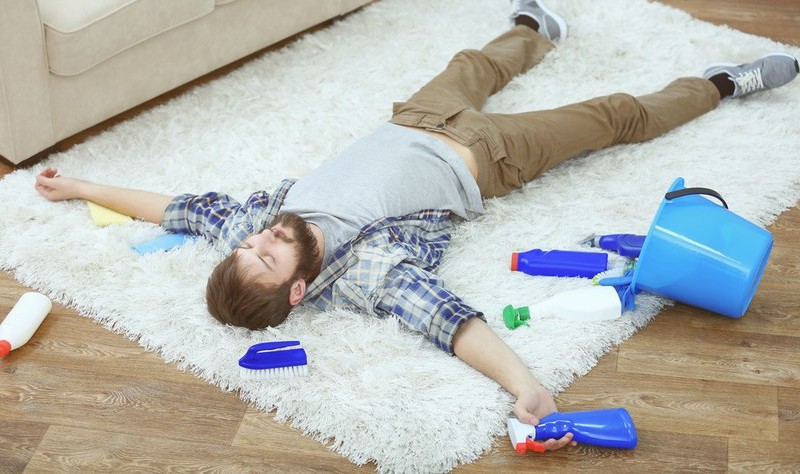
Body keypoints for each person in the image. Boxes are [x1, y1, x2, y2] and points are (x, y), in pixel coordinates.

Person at [34, 0, 798, 452]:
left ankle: (537, 24)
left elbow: (174, 208)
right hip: (487, 157)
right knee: (614, 118)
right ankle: (722, 83)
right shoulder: (366, 278)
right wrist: (527, 384)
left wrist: (77, 185)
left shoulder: (255, 222)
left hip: (417, 118)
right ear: (298, 291)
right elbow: (450, 322)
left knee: (477, 63)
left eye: (249, 245)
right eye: (265, 257)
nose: (259, 239)